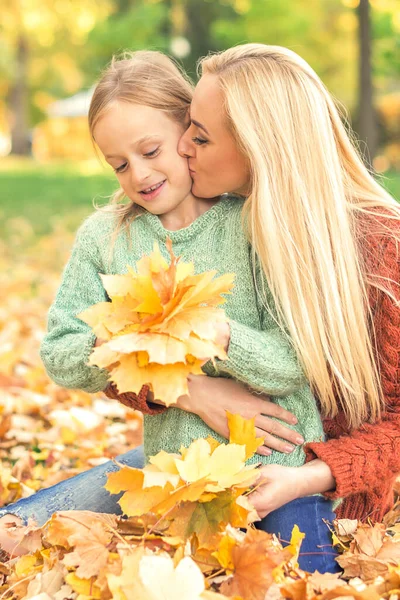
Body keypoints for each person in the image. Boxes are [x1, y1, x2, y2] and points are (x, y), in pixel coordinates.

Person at [0, 50, 338, 573]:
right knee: (19, 529)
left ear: (189, 132)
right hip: (172, 482)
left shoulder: (252, 224)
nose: (137, 173)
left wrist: (217, 333)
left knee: (308, 574)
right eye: (118, 164)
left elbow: (292, 363)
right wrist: (163, 368)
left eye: (150, 150)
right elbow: (62, 354)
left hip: (275, 470)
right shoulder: (107, 238)